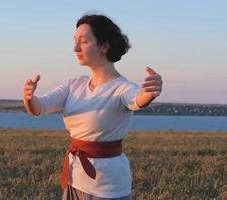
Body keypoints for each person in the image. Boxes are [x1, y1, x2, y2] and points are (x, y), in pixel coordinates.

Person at [23, 14, 162, 199]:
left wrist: (149, 93)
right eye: (75, 41)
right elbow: (39, 108)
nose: (75, 48)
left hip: (108, 187)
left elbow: (137, 98)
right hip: (74, 180)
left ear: (104, 46)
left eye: (83, 41)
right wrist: (29, 97)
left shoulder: (121, 87)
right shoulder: (74, 85)